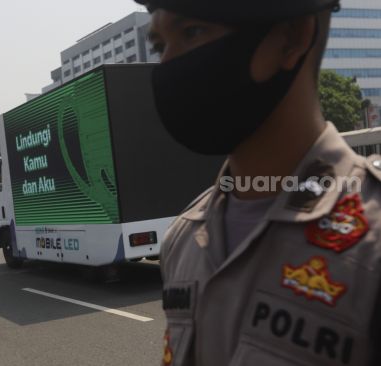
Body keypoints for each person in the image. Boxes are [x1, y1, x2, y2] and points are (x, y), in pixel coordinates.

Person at [136, 0, 381, 364]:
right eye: (159, 46)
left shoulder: (371, 242)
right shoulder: (183, 239)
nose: (167, 63)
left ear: (293, 36)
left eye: (192, 32)